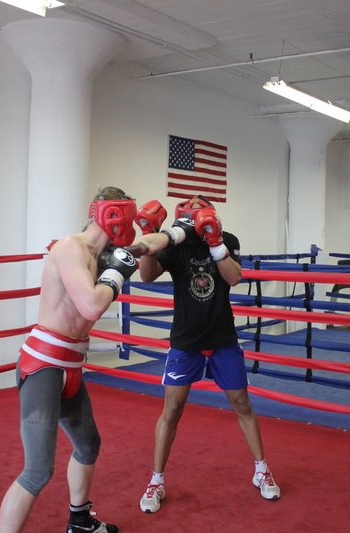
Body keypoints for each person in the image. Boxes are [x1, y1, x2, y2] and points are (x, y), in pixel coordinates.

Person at [0, 186, 143, 533]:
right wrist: (116, 274)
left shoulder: (106, 254)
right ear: (114, 214)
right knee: (37, 471)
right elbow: (91, 305)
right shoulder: (69, 248)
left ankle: (80, 522)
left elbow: (145, 248)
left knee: (88, 445)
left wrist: (175, 233)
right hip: (44, 365)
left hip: (73, 365)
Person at [132, 195, 281, 515]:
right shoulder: (175, 244)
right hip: (185, 341)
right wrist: (149, 235)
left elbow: (234, 277)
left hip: (223, 337)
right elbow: (146, 275)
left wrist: (215, 242)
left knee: (242, 404)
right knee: (172, 409)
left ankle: (261, 470)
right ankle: (156, 480)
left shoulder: (228, 240)